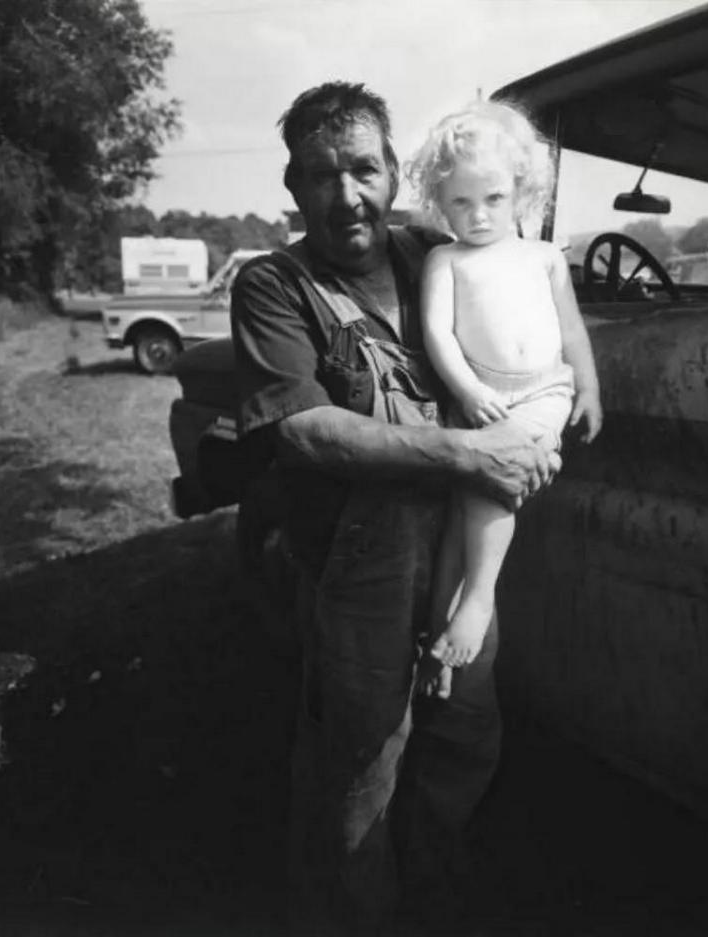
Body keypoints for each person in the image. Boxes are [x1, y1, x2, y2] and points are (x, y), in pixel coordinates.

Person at [229, 82, 560, 936]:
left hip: (455, 549)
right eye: (322, 176)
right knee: (362, 764)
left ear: (392, 172)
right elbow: (306, 433)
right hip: (356, 562)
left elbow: (530, 310)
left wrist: (550, 407)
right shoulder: (274, 285)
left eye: (365, 169)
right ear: (294, 187)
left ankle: (439, 901)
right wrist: (468, 452)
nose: (347, 195)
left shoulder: (434, 252)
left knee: (463, 738)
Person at [407, 101, 602, 682]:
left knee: (488, 485)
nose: (479, 216)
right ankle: (437, 636)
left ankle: (479, 599)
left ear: (522, 194)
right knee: (462, 508)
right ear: (441, 204)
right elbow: (438, 333)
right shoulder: (445, 259)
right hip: (480, 394)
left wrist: (589, 388)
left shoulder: (543, 258)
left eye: (493, 199)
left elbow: (571, 331)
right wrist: (466, 391)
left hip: (544, 392)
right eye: (460, 203)